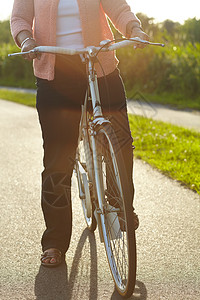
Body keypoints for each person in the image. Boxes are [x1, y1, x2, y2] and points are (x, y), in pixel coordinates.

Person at [10, 0, 149, 268]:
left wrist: (133, 28)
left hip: (101, 65)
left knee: (119, 141)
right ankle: (55, 240)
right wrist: (26, 40)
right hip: (55, 72)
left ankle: (120, 204)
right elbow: (20, 18)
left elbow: (118, 8)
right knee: (57, 161)